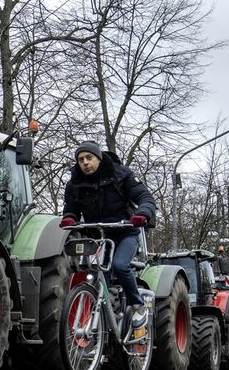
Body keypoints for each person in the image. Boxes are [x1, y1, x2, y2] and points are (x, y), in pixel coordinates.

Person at [60, 141, 157, 329]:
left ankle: (138, 305)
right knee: (95, 275)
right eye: (81, 159)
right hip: (98, 237)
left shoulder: (120, 174)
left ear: (99, 158)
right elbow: (71, 208)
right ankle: (102, 320)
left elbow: (145, 197)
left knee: (119, 266)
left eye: (89, 158)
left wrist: (142, 214)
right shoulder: (74, 184)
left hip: (125, 233)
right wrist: (69, 218)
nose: (85, 162)